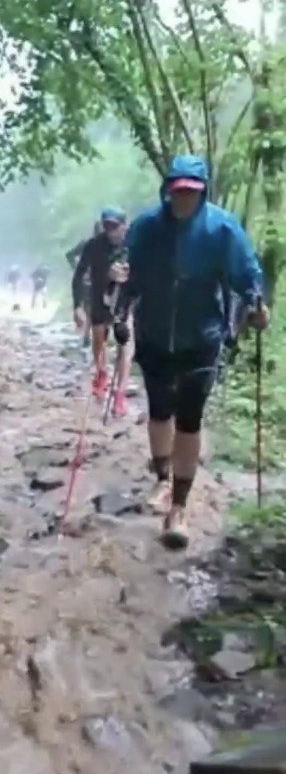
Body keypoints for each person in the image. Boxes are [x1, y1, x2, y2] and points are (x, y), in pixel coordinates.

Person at [113, 154, 269, 550]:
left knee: (189, 419)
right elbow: (130, 273)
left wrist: (254, 302)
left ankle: (178, 508)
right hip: (153, 332)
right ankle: (162, 480)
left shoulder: (222, 228)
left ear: (202, 193)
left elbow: (246, 274)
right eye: (177, 192)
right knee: (160, 411)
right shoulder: (147, 228)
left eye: (191, 193)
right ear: (167, 191)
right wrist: (120, 311)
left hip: (202, 335)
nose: (182, 200)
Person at [72, 208, 132, 416]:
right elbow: (79, 274)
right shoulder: (94, 245)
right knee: (98, 338)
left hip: (126, 299)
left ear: (124, 225)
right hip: (99, 295)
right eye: (107, 226)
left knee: (125, 343)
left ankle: (120, 393)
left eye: (115, 226)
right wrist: (78, 305)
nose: (111, 231)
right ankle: (101, 374)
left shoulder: (134, 244)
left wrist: (129, 274)